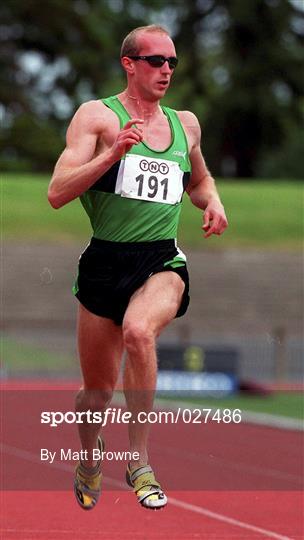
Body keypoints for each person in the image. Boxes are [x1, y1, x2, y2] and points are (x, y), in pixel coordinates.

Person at [48, 24, 228, 511]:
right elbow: (58, 193)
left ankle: (139, 460)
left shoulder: (185, 123)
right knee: (95, 395)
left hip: (160, 259)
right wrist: (114, 154)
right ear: (130, 64)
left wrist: (212, 202)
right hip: (104, 262)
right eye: (155, 61)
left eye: (172, 62)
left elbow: (200, 178)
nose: (166, 69)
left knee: (139, 333)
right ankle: (89, 457)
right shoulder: (96, 117)